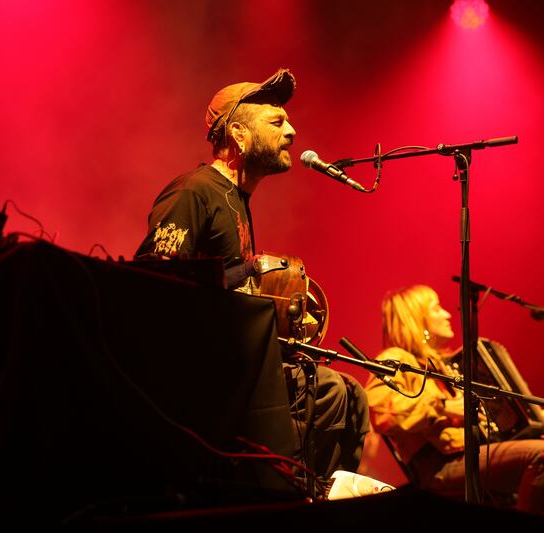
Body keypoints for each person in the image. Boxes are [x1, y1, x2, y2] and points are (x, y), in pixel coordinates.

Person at [135, 68, 369, 483]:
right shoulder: (194, 191)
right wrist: (251, 269)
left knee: (348, 393)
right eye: (277, 122)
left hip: (237, 366)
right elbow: (152, 284)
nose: (293, 131)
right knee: (330, 392)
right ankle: (281, 488)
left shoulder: (237, 200)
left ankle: (297, 487)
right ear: (239, 136)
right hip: (205, 374)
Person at [365, 284, 544, 522]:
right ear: (416, 318)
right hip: (442, 467)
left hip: (475, 456)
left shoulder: (443, 366)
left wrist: (540, 418)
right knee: (542, 453)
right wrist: (442, 407)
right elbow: (381, 412)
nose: (448, 314)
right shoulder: (395, 358)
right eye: (437, 308)